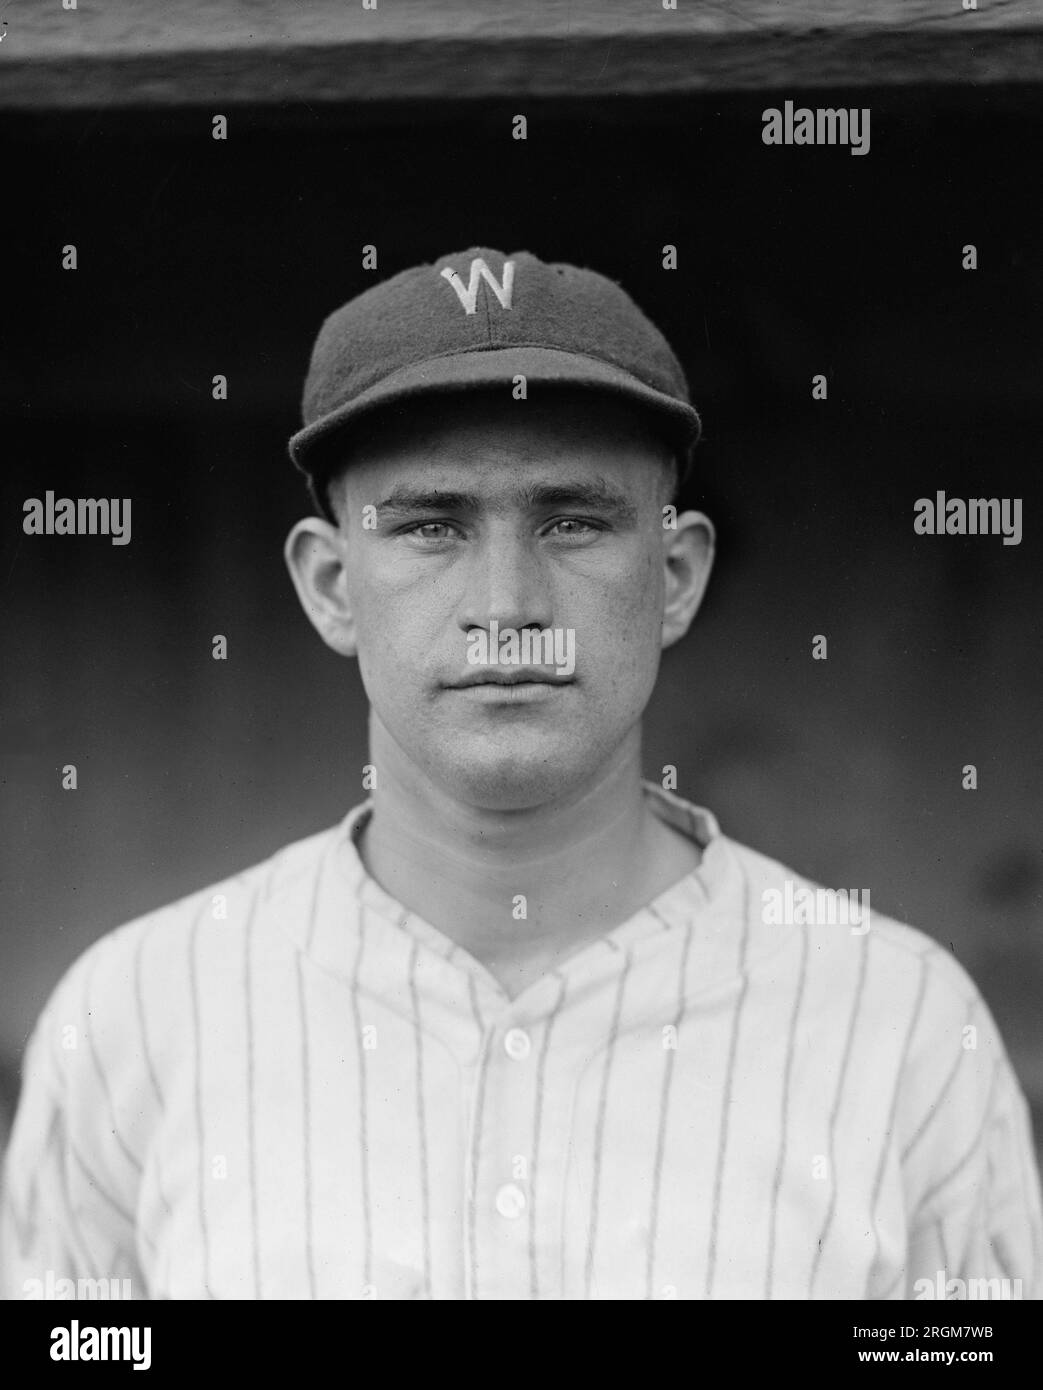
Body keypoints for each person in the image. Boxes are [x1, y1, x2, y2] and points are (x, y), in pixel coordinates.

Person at [2, 248, 1040, 1301]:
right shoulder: (135, 1015)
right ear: (330, 586)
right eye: (430, 526)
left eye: (572, 521)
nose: (506, 604)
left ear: (673, 577)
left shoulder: (895, 1021)